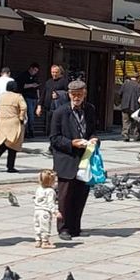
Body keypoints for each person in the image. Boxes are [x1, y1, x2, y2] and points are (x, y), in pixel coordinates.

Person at [50, 80, 98, 241]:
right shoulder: (60, 112)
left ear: (85, 94)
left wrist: (94, 140)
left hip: (84, 158)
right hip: (66, 159)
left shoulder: (90, 109)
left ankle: (75, 227)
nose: (76, 98)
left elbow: (92, 131)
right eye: (74, 95)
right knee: (65, 196)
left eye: (79, 94)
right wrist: (71, 143)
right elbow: (54, 139)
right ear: (69, 94)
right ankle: (63, 228)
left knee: (81, 194)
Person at [0, 79, 27, 173]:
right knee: (13, 144)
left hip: (2, 121)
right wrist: (21, 117)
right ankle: (10, 166)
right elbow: (24, 107)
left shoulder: (2, 96)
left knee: (3, 142)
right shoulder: (18, 96)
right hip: (14, 122)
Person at [32, 169, 59, 249]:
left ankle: (38, 240)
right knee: (45, 226)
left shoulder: (39, 188)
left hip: (37, 211)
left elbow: (36, 198)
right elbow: (51, 203)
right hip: (45, 212)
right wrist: (55, 212)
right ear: (51, 181)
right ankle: (45, 242)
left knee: (37, 226)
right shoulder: (50, 191)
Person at [15, 63, 41, 136]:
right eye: (34, 70)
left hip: (34, 97)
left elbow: (38, 88)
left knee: (31, 114)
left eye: (36, 71)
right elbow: (21, 85)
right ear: (31, 68)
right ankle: (29, 131)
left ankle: (29, 130)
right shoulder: (23, 75)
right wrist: (32, 85)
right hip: (27, 97)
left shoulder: (35, 77)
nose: (35, 72)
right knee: (29, 114)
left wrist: (38, 98)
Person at [119, 74, 140, 142]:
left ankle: (125, 135)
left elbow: (120, 93)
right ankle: (136, 135)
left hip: (125, 105)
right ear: (137, 78)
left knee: (125, 121)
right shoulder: (138, 85)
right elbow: (139, 96)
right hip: (134, 106)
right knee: (136, 121)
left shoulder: (125, 84)